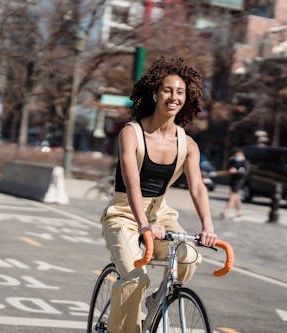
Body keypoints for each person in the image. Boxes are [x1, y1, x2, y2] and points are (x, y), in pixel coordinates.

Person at [100, 56, 218, 333]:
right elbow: (131, 184)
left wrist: (208, 226)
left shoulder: (188, 144)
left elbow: (197, 186)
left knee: (189, 257)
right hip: (125, 213)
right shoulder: (132, 133)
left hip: (160, 214)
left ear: (186, 99)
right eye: (167, 90)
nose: (173, 97)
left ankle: (158, 300)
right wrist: (143, 225)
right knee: (135, 278)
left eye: (180, 92)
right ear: (155, 93)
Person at [222, 148, 249, 219]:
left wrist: (237, 171)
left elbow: (245, 173)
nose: (237, 157)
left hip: (239, 181)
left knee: (232, 196)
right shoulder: (232, 161)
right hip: (233, 180)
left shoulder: (245, 162)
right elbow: (228, 168)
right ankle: (239, 211)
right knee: (236, 196)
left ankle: (226, 211)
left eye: (238, 155)